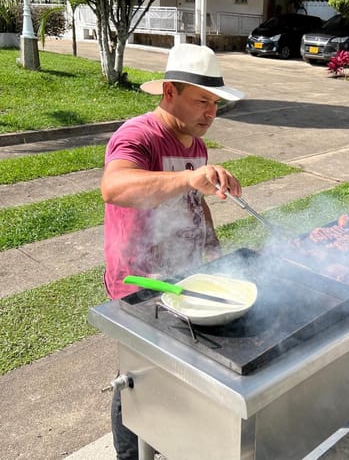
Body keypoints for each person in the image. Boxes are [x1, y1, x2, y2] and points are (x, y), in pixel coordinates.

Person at [100, 43, 245, 460]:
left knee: (179, 369)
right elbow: (114, 188)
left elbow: (195, 199)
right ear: (169, 93)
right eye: (202, 101)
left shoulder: (195, 144)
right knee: (138, 376)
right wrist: (187, 180)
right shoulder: (138, 135)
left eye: (215, 103)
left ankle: (172, 439)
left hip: (185, 273)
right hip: (140, 279)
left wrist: (213, 249)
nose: (210, 113)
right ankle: (130, 454)